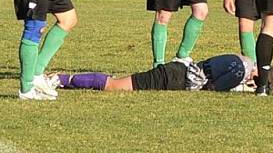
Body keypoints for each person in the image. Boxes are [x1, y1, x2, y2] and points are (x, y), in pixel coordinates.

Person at [54, 54, 256, 92]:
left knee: (118, 84)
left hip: (179, 70)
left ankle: (61, 79)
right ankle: (59, 79)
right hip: (174, 78)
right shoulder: (240, 71)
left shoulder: (242, 59)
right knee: (114, 86)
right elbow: (213, 88)